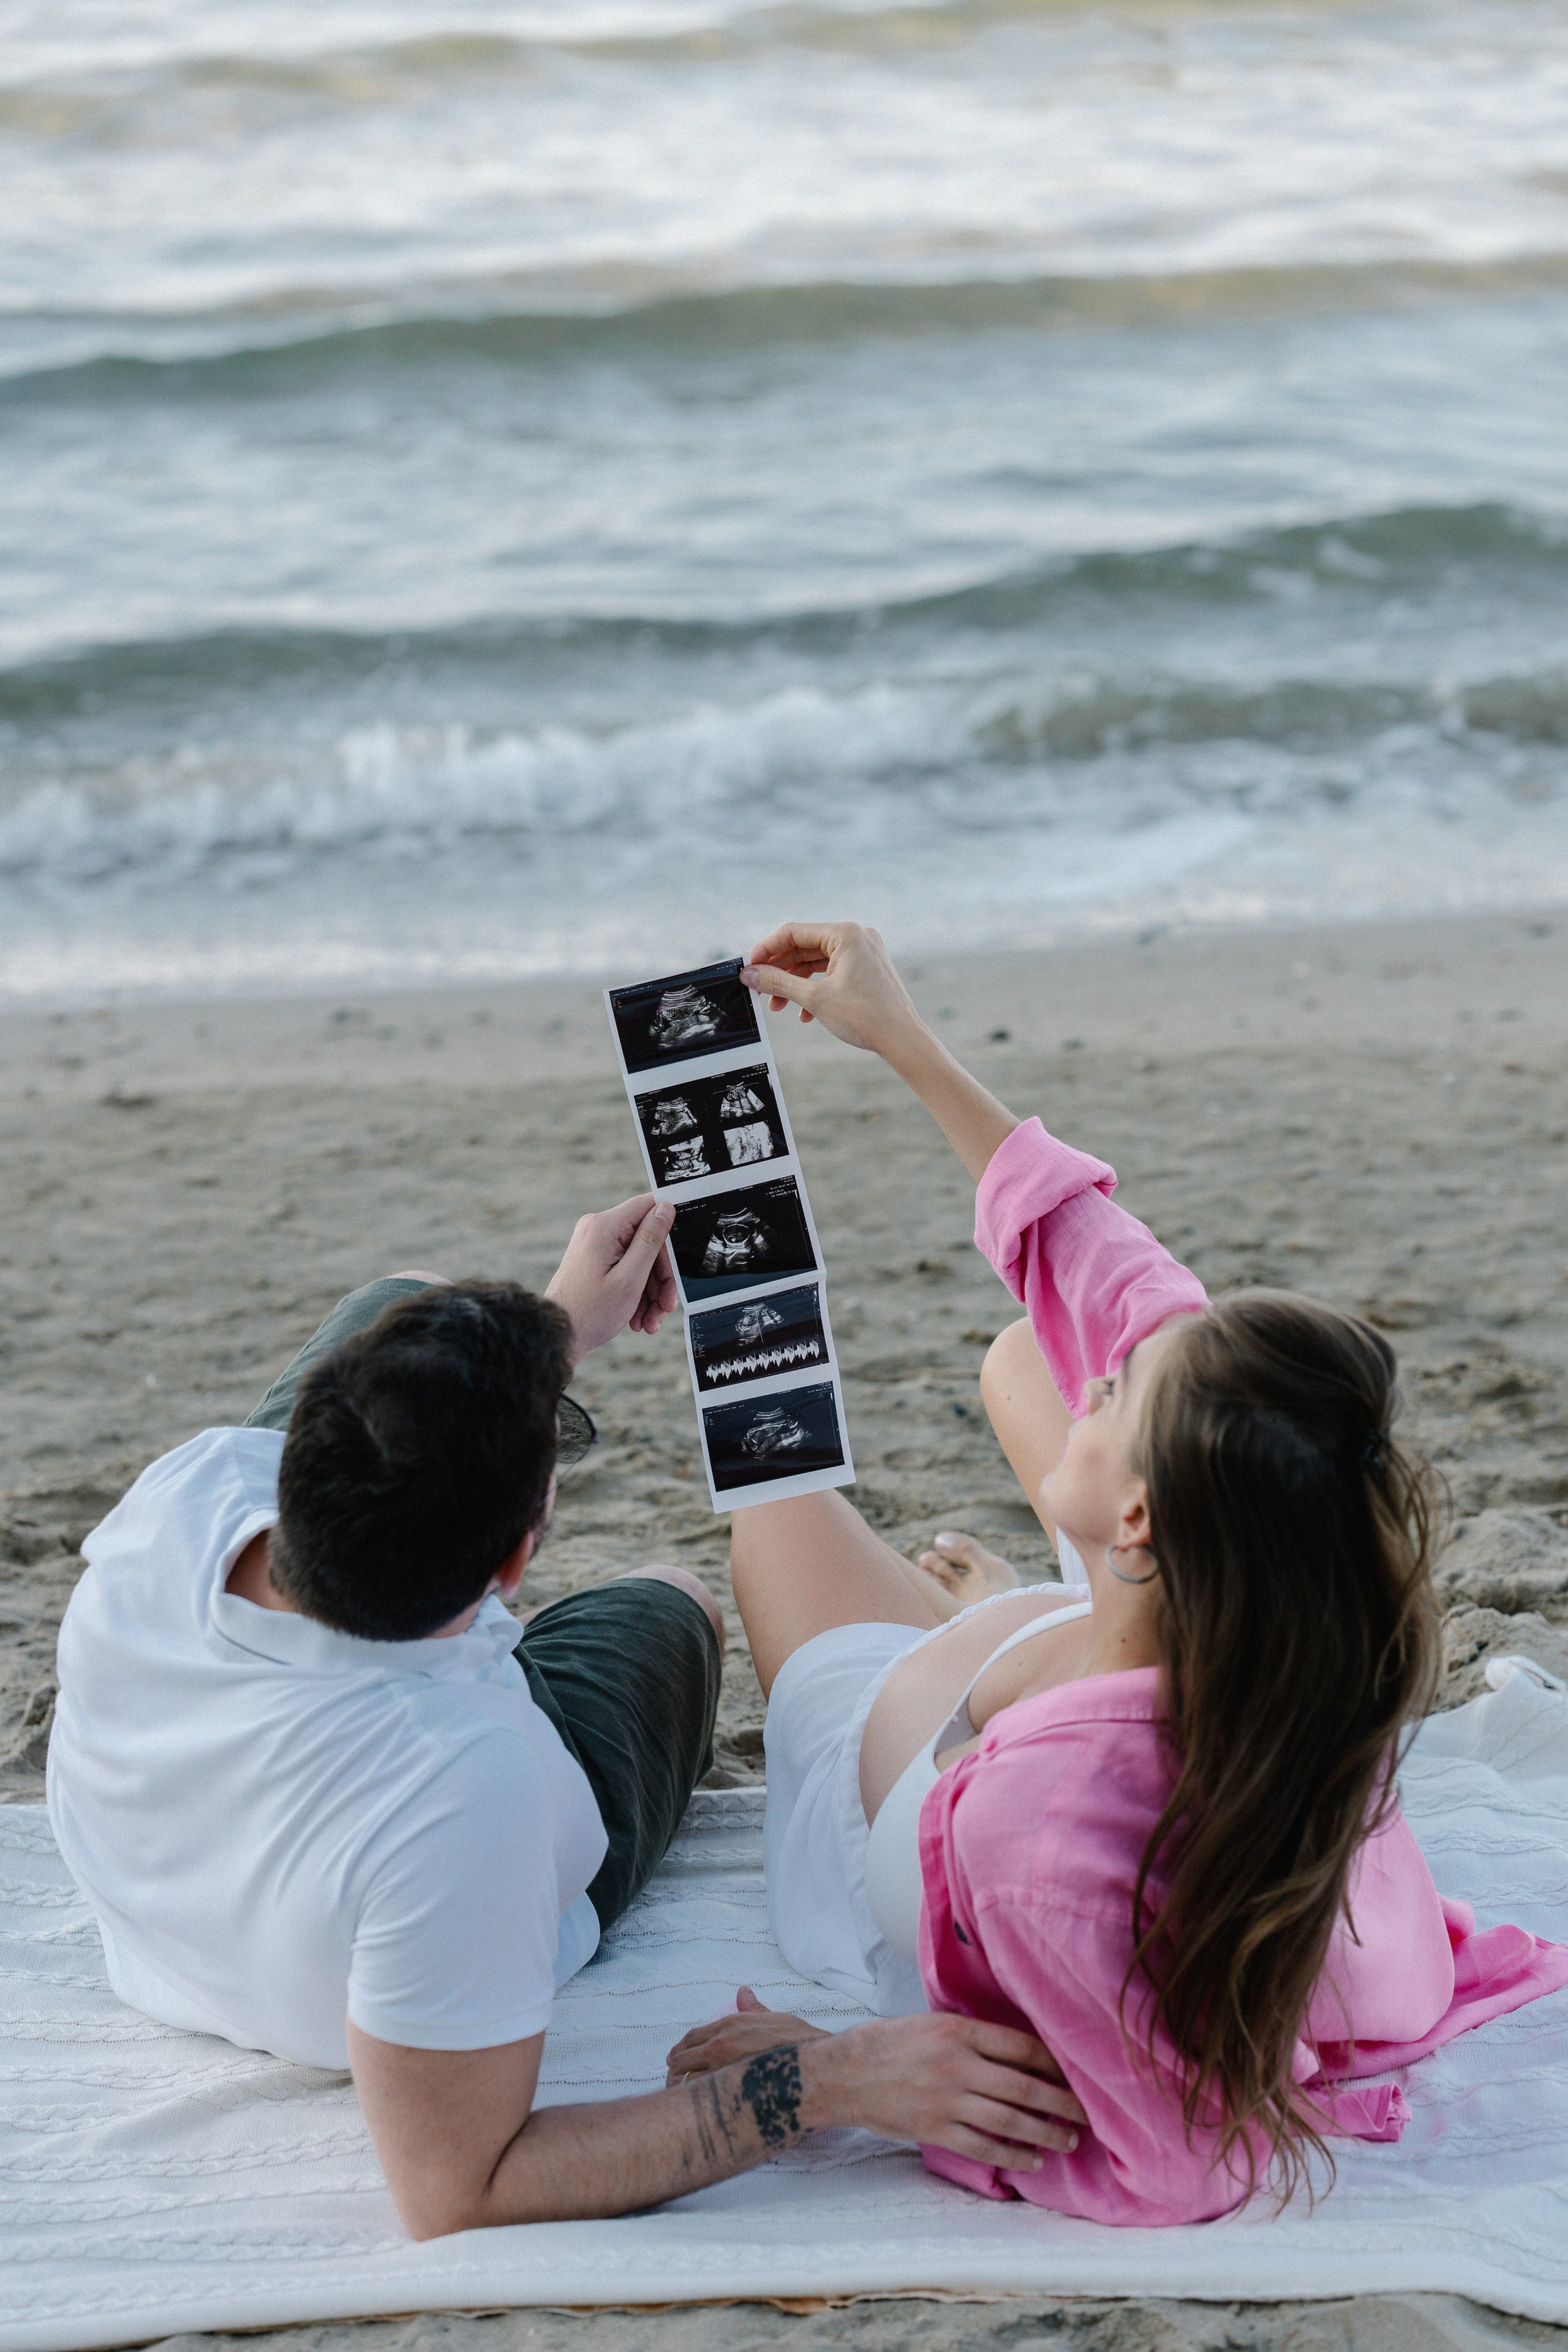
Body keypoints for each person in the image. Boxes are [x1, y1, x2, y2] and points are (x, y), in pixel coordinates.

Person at [666, 920, 1568, 2227]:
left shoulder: (1031, 1828)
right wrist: (905, 1043)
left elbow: (1179, 2161)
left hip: (890, 1791)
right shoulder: (1306, 1614)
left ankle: (984, 1615)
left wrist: (838, 2074)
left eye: (1112, 1396)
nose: (1093, 1379)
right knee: (1017, 1354)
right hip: (1082, 1647)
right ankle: (1004, 1607)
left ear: (1138, 1520)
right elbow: (1113, 1277)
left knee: (775, 1498)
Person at [47, 1188, 1085, 2239]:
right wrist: (825, 2083)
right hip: (384, 1851)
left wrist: (555, 1327)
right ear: (514, 1566)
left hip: (178, 1897)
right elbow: (458, 2190)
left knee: (414, 1298)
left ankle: (449, 1429)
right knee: (674, 1601)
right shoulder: (469, 1789)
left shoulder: (187, 1494)